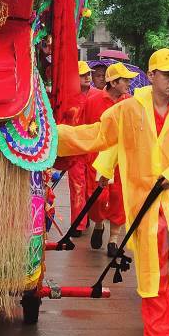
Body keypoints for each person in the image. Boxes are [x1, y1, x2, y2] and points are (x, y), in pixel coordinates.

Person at [57, 49, 169, 336]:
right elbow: (97, 135)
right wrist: (51, 137)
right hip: (146, 202)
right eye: (168, 74)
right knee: (154, 267)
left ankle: (164, 312)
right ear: (151, 76)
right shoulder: (128, 110)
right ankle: (160, 333)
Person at [81, 63, 136, 254]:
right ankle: (98, 224)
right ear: (113, 82)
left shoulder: (131, 103)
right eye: (125, 80)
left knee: (119, 197)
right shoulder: (93, 101)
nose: (129, 83)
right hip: (98, 158)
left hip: (122, 158)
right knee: (97, 197)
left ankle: (113, 240)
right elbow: (86, 129)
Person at [54, 61, 102, 238]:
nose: (87, 77)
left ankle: (92, 217)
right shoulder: (67, 99)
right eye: (83, 75)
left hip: (94, 148)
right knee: (77, 187)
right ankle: (78, 223)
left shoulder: (98, 96)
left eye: (88, 74)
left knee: (93, 186)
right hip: (75, 149)